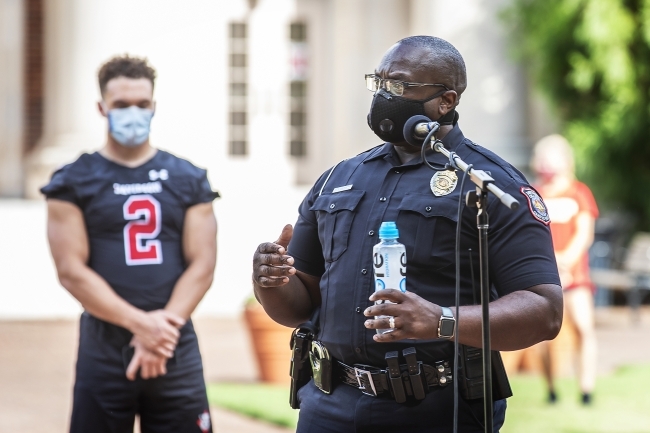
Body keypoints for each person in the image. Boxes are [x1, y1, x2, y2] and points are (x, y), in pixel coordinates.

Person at [252, 36, 563, 432]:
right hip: (329, 405)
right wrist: (271, 281)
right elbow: (298, 307)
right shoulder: (338, 178)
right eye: (378, 82)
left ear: (445, 101)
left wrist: (442, 320)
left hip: (435, 408)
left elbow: (545, 310)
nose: (384, 95)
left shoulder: (489, 184)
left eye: (398, 85)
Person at [42, 55, 218, 433]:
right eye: (121, 105)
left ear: (154, 106)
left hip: (175, 343)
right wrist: (143, 326)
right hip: (105, 345)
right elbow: (71, 271)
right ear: (101, 107)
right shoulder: (72, 180)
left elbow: (202, 265)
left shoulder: (187, 178)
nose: (132, 112)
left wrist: (160, 331)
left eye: (141, 104)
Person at [532, 134, 598, 405]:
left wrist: (566, 261)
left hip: (575, 275)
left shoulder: (579, 192)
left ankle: (586, 390)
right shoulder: (534, 193)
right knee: (545, 335)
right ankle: (551, 388)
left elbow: (585, 234)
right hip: (546, 275)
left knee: (584, 328)